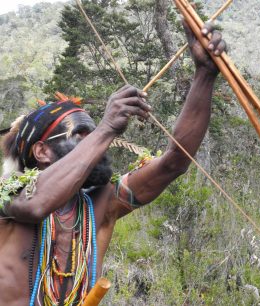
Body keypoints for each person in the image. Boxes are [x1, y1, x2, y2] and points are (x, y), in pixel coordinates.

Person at [0, 22, 226, 305]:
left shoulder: (102, 203)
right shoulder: (8, 197)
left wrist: (204, 75)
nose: (95, 145)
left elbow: (174, 162)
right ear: (42, 151)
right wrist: (106, 128)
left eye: (94, 135)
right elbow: (36, 205)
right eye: (81, 135)